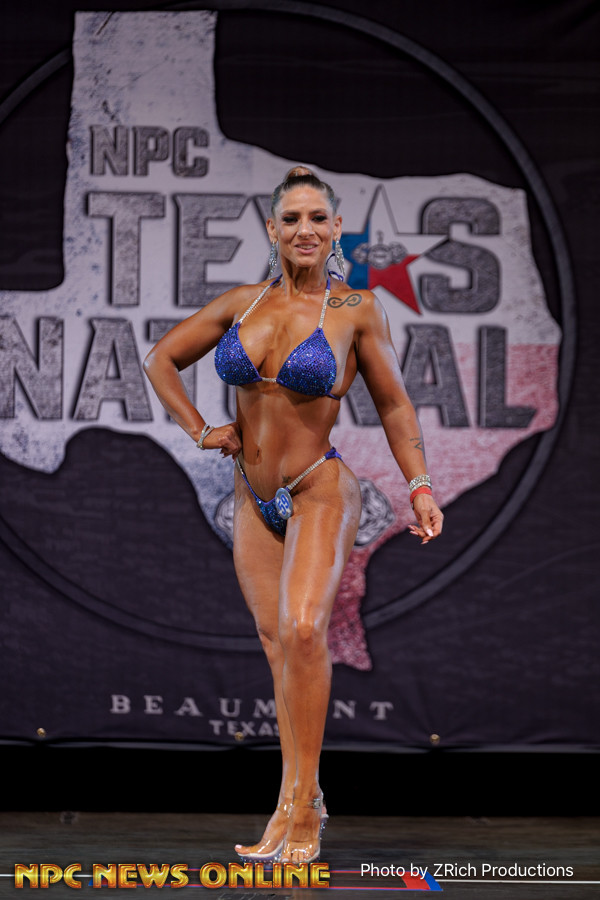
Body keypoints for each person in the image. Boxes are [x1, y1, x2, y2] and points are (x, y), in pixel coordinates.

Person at [143, 166, 443, 864]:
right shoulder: (242, 304)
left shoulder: (357, 309)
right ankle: (289, 800)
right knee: (279, 647)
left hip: (319, 489)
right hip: (253, 497)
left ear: (337, 229)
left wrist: (421, 486)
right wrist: (200, 430)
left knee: (306, 630)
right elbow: (161, 359)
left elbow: (394, 405)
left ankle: (306, 806)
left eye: (317, 218)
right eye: (291, 219)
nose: (304, 229)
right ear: (272, 230)